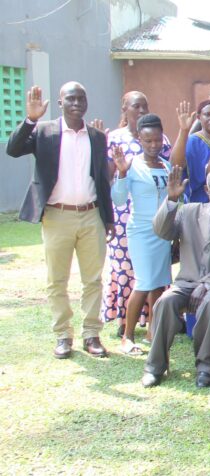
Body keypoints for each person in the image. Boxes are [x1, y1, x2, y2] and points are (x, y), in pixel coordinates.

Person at [6, 83, 113, 359]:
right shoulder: (44, 132)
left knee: (93, 280)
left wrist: (108, 219)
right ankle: (63, 336)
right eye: (70, 98)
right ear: (60, 102)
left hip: (91, 215)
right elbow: (13, 149)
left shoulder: (96, 136)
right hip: (56, 215)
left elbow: (102, 180)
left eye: (81, 98)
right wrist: (30, 119)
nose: (76, 103)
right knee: (57, 281)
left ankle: (92, 334)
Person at [142, 168, 210, 388]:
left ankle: (206, 367)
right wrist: (171, 199)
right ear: (206, 189)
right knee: (165, 301)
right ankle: (154, 367)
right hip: (187, 281)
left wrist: (207, 284)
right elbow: (162, 231)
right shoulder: (188, 211)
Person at [102, 92, 170, 333]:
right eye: (148, 141)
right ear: (140, 140)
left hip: (163, 233)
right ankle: (128, 335)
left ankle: (154, 331)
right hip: (141, 231)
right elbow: (119, 199)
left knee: (160, 285)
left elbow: (172, 200)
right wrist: (120, 174)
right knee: (143, 283)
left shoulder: (166, 165)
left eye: (157, 141)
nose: (154, 145)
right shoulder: (132, 165)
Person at [170, 99, 210, 204]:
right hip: (199, 204)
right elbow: (176, 165)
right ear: (199, 117)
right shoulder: (192, 141)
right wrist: (184, 130)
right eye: (207, 114)